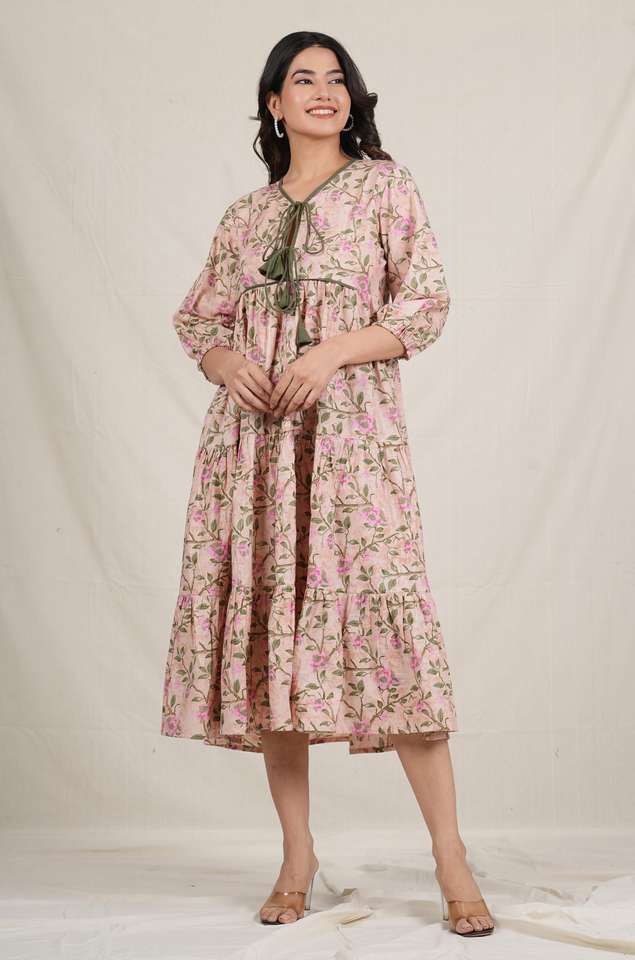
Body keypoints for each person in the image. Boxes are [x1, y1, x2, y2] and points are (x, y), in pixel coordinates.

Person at [161, 30, 495, 937]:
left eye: (336, 79)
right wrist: (227, 361)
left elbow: (423, 305)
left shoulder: (385, 187)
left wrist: (334, 350)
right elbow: (198, 319)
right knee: (273, 634)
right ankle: (296, 857)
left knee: (390, 628)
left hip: (351, 446)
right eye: (301, 80)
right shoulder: (244, 216)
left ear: (353, 99)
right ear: (273, 105)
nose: (322, 91)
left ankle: (450, 857)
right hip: (255, 450)